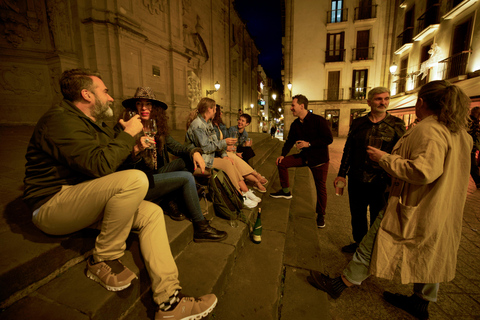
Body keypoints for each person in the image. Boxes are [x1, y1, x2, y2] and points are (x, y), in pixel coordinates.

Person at [23, 69, 217, 319]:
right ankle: (102, 258)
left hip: (84, 197)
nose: (111, 98)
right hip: (52, 205)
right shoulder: (59, 120)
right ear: (86, 94)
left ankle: (169, 300)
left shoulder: (93, 124)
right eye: (104, 91)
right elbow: (101, 166)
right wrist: (128, 136)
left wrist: (134, 146)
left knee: (151, 213)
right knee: (136, 180)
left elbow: (110, 162)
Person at [308, 80, 472, 320]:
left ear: (422, 102)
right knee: (432, 249)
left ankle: (341, 283)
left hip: (417, 201)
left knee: (374, 238)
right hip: (443, 204)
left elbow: (424, 171)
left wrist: (385, 159)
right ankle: (421, 301)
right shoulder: (460, 133)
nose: (383, 102)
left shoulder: (429, 129)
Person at [118, 87, 227, 242]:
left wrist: (194, 152)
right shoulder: (126, 129)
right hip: (141, 181)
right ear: (134, 107)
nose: (144, 108)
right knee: (187, 177)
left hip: (156, 174)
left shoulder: (157, 128)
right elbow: (121, 165)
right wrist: (136, 150)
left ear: (154, 107)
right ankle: (200, 226)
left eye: (148, 104)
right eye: (139, 103)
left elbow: (177, 147)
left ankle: (169, 197)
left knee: (187, 160)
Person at [335, 87, 406, 253]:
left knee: (377, 217)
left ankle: (372, 249)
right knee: (357, 215)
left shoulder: (396, 124)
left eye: (386, 99)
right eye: (378, 99)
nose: (383, 102)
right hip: (356, 178)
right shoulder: (359, 123)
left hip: (381, 181)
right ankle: (359, 243)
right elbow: (348, 150)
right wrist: (341, 174)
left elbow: (402, 153)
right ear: (369, 102)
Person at [269, 94, 333, 228]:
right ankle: (286, 191)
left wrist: (309, 144)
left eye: (293, 105)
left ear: (301, 106)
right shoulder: (295, 124)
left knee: (320, 188)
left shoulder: (318, 120)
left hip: (319, 160)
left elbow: (328, 139)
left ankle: (321, 215)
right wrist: (282, 155)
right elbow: (289, 141)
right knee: (282, 163)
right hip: (305, 157)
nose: (291, 108)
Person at [185, 97, 260, 208]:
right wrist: (224, 142)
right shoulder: (197, 125)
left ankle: (245, 191)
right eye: (215, 109)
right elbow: (206, 148)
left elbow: (215, 142)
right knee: (226, 164)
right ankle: (239, 195)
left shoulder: (207, 122)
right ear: (209, 109)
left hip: (209, 156)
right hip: (200, 161)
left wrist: (224, 155)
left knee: (230, 160)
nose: (216, 111)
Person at [212, 105, 268, 192]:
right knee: (235, 158)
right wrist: (233, 151)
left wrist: (246, 146)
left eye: (243, 121)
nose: (222, 113)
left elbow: (236, 145)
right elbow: (222, 143)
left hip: (227, 149)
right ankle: (256, 177)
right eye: (220, 112)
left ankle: (255, 178)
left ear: (247, 124)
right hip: (223, 151)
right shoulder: (230, 129)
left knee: (248, 150)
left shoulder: (222, 126)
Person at [468, 106, 480, 188]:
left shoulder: (471, 121)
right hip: (470, 147)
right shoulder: (472, 122)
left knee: (473, 166)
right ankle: (478, 182)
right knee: (473, 166)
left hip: (471, 147)